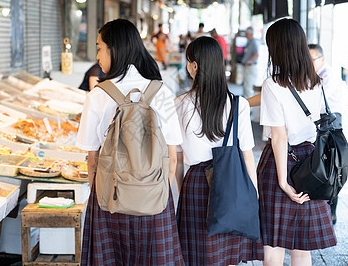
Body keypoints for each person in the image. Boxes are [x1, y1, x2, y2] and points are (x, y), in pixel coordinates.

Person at [76, 19, 184, 265]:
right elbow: (173, 155)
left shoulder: (98, 95)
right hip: (155, 199)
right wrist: (159, 192)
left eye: (99, 47)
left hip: (110, 198)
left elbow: (91, 157)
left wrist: (97, 192)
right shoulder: (161, 92)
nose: (98, 55)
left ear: (114, 49)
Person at [175, 36, 263, 265]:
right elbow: (247, 155)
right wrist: (253, 195)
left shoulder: (180, 104)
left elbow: (176, 159)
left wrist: (180, 191)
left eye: (188, 61)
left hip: (195, 183)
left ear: (194, 66)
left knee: (196, 255)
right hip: (231, 182)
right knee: (226, 255)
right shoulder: (238, 104)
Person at [258, 18, 336, 266]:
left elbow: (279, 136)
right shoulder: (315, 81)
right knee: (302, 246)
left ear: (277, 47)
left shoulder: (273, 84)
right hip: (311, 164)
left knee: (274, 243)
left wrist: (283, 182)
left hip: (280, 163)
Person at [308, 43, 348, 225]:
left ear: (322, 59)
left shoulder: (327, 76)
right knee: (324, 167)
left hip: (332, 125)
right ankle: (325, 212)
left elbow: (316, 102)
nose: (307, 63)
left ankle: (330, 214)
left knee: (332, 169)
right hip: (325, 124)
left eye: (311, 60)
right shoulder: (316, 75)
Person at [241, 27, 260, 98]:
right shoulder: (249, 42)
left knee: (248, 86)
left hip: (251, 67)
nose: (245, 35)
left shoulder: (253, 42)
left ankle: (249, 106)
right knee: (246, 85)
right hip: (248, 67)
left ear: (250, 34)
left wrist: (249, 61)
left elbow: (256, 54)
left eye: (246, 33)